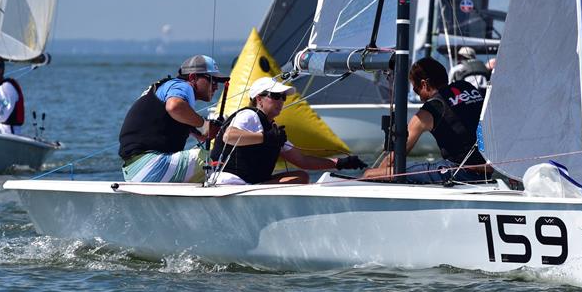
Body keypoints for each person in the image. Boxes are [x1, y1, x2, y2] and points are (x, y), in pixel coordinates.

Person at [209, 76, 367, 185]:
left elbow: (303, 161)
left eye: (283, 97)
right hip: (230, 183)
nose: (281, 101)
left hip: (249, 184)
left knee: (301, 176)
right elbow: (229, 136)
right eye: (275, 96)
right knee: (301, 179)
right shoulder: (249, 115)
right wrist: (265, 138)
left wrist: (341, 163)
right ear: (259, 99)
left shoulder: (273, 131)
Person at [363, 57, 487, 184]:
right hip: (487, 171)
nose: (419, 96)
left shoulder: (430, 109)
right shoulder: (467, 87)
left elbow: (395, 157)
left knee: (369, 174)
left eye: (416, 89)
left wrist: (378, 176)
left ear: (424, 84)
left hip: (458, 173)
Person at [118, 54, 228, 183]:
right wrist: (204, 125)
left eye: (218, 82)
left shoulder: (169, 90)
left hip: (134, 171)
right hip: (151, 166)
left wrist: (206, 131)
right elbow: (174, 107)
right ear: (193, 77)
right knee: (216, 159)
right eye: (212, 80)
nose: (216, 86)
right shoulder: (183, 86)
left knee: (200, 155)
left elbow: (199, 132)